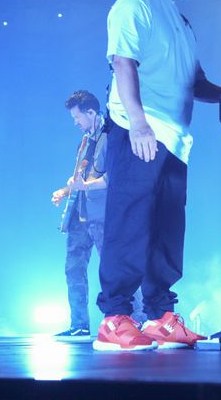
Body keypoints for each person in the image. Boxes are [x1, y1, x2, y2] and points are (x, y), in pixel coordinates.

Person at [93, 0, 221, 351]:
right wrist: (139, 124)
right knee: (128, 225)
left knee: (166, 231)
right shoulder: (136, 2)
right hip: (140, 131)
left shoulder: (181, 20)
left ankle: (160, 316)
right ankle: (114, 318)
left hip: (176, 138)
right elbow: (123, 63)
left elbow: (195, 82)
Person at [51, 90, 145, 336]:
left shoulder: (113, 136)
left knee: (117, 270)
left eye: (77, 117)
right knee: (73, 269)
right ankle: (79, 325)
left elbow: (113, 178)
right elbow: (81, 176)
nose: (76, 122)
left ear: (91, 112)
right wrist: (65, 189)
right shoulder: (85, 140)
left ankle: (137, 320)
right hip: (79, 216)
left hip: (103, 216)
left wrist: (85, 185)